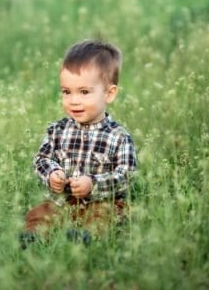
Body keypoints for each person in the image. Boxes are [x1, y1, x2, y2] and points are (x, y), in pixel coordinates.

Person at [20, 39, 137, 249]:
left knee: (104, 216)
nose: (74, 101)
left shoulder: (118, 136)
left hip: (102, 201)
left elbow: (126, 175)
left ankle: (85, 238)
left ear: (109, 94)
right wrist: (52, 174)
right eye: (67, 92)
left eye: (84, 92)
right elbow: (42, 159)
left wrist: (93, 183)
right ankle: (33, 238)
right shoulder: (57, 130)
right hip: (63, 201)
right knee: (41, 213)